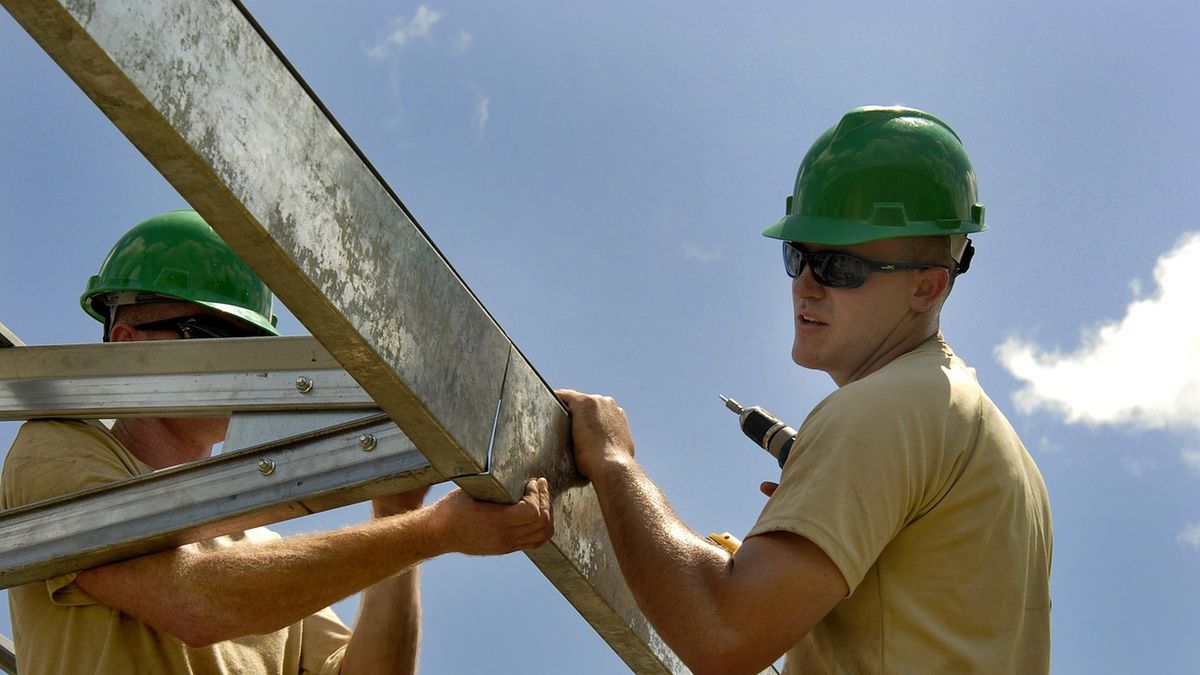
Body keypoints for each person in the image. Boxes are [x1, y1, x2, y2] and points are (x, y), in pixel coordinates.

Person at [558, 106, 1052, 674]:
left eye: (839, 266)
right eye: (798, 257)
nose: (806, 286)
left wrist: (615, 463)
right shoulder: (984, 439)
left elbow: (723, 636)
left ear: (926, 286)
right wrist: (791, 568)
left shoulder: (884, 410)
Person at [1, 208, 555, 675]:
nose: (246, 368)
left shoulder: (259, 547)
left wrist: (394, 515)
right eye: (217, 336)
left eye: (255, 346)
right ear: (127, 345)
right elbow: (192, 600)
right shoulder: (58, 449)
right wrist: (432, 532)